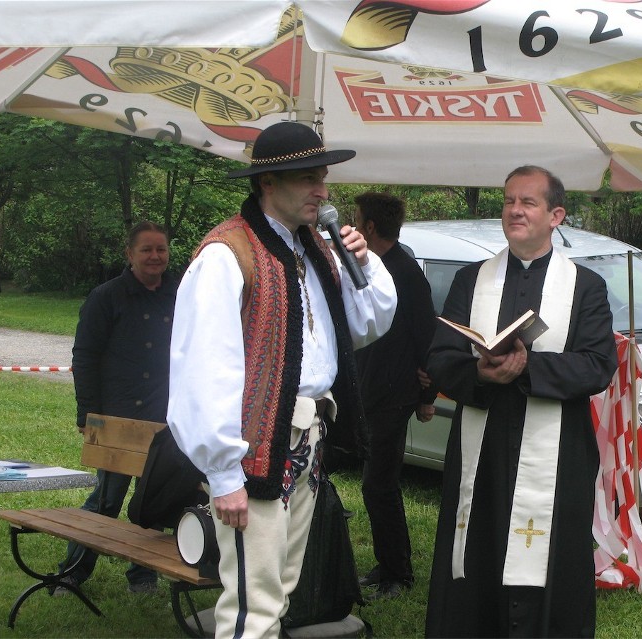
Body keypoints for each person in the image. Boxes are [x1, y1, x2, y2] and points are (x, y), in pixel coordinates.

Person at [166, 121, 397, 639]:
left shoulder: (315, 249)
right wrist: (225, 473)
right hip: (257, 448)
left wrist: (365, 261)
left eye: (323, 177)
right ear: (268, 183)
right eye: (308, 179)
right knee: (253, 603)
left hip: (306, 442)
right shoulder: (228, 255)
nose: (323, 190)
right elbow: (203, 371)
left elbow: (367, 323)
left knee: (280, 589)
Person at [424, 165, 617, 638]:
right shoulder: (472, 280)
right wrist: (480, 372)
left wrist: (528, 366)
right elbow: (442, 357)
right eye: (509, 201)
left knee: (552, 559)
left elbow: (597, 365)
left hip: (557, 452)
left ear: (556, 215)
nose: (514, 210)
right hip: (482, 447)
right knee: (477, 553)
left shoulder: (585, 286)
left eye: (528, 202)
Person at [56, 221, 177, 595]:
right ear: (129, 254)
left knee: (152, 501)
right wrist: (86, 414)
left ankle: (142, 573)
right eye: (146, 250)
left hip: (165, 414)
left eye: (161, 249)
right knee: (106, 499)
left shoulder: (180, 292)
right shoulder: (106, 297)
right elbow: (85, 356)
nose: (155, 256)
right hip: (118, 415)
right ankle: (72, 572)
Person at [352, 192, 438, 601]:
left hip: (393, 395)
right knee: (374, 483)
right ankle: (387, 565)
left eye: (355, 219)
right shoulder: (370, 267)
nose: (351, 225)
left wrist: (427, 396)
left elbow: (428, 339)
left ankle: (397, 573)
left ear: (370, 227)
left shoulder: (405, 272)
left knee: (378, 484)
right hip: (368, 391)